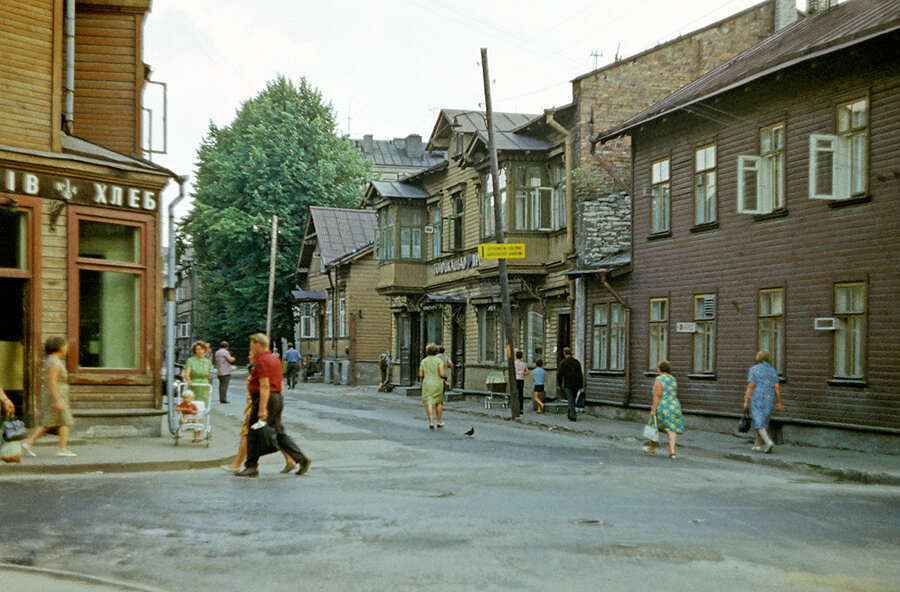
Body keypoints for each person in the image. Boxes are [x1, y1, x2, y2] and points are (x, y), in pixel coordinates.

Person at [236, 333, 310, 477]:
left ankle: (251, 466)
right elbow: (280, 381)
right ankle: (302, 459)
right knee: (280, 433)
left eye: (252, 345)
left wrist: (262, 408)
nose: (251, 348)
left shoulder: (263, 361)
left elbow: (264, 385)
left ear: (258, 345)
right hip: (276, 397)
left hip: (265, 399)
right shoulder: (274, 359)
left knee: (253, 430)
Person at [221, 350, 295, 474]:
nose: (248, 356)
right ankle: (290, 459)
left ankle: (237, 464)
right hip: (263, 406)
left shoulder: (261, 372)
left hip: (260, 407)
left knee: (247, 434)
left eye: (251, 355)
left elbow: (260, 391)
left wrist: (256, 408)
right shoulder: (260, 370)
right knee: (273, 433)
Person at [22, 337, 76, 457]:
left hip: (58, 394)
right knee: (62, 421)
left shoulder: (53, 361)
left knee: (54, 421)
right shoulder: (54, 362)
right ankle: (61, 450)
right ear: (59, 347)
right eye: (65, 346)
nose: (67, 348)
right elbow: (52, 382)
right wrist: (57, 400)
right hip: (56, 395)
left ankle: (29, 442)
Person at [743, 350, 783, 454]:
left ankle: (768, 442)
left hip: (757, 397)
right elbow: (777, 387)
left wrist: (746, 399)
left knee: (758, 421)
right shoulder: (773, 371)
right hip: (770, 398)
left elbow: (751, 385)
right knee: (763, 421)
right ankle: (757, 445)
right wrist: (779, 401)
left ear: (758, 358)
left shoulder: (754, 369)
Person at [643, 360, 684, 458]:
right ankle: (672, 451)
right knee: (672, 428)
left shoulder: (659, 379)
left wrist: (653, 409)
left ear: (659, 369)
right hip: (674, 405)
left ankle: (651, 448)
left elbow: (657, 395)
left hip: (663, 405)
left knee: (654, 425)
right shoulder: (673, 379)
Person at [418, 343, 446, 429]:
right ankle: (439, 421)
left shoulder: (424, 361)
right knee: (438, 402)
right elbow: (442, 374)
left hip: (427, 383)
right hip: (438, 383)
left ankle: (431, 422)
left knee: (429, 403)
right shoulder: (439, 361)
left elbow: (420, 374)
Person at [556, 347, 584, 422]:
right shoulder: (577, 362)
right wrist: (581, 386)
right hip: (576, 384)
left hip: (567, 384)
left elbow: (559, 374)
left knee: (570, 399)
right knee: (572, 399)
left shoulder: (563, 363)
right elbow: (580, 374)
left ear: (564, 353)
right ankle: (570, 414)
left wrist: (559, 384)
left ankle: (573, 415)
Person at [184, 341, 213, 407]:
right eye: (198, 349)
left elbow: (208, 374)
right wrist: (189, 380)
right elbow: (187, 374)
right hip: (194, 384)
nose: (200, 351)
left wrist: (209, 383)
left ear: (205, 350)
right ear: (195, 351)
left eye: (202, 349)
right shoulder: (190, 360)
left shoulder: (208, 362)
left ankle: (201, 417)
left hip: (205, 385)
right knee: (193, 403)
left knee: (203, 404)